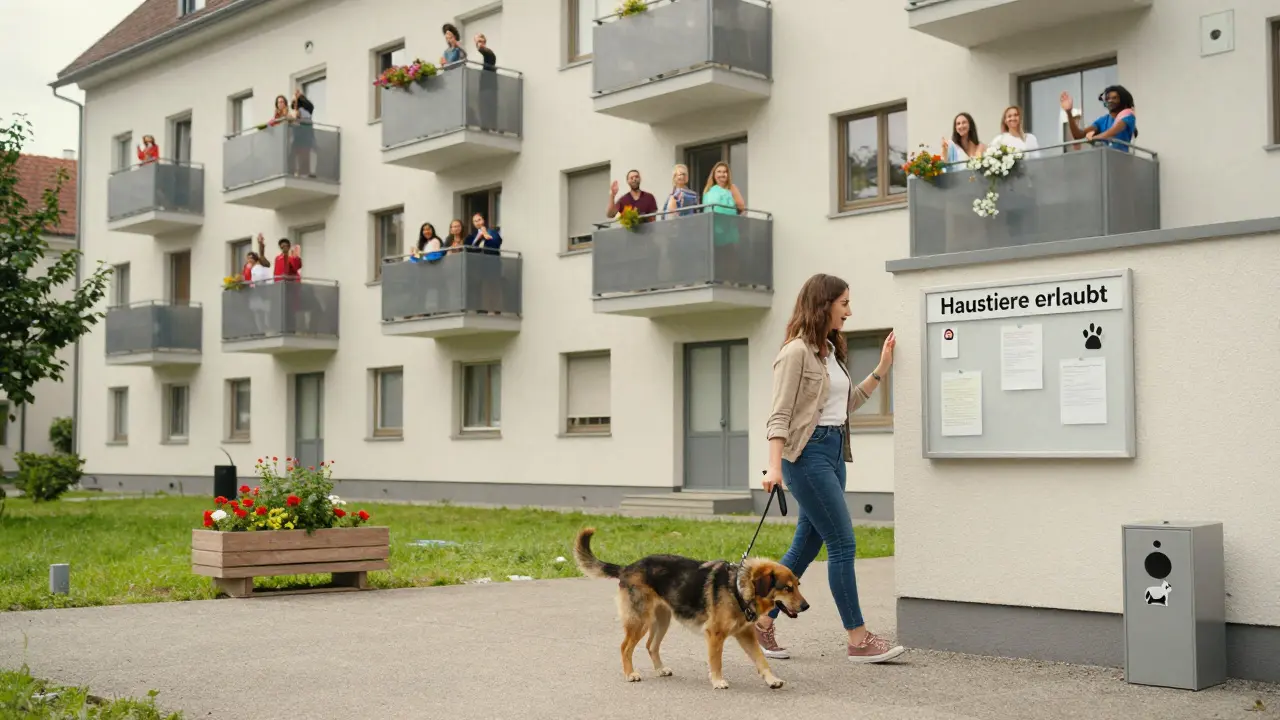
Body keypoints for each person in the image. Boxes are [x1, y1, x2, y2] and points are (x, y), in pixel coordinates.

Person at [756, 273, 903, 665]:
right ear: (824, 305)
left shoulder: (829, 351)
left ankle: (761, 622)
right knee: (843, 542)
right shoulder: (795, 353)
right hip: (807, 456)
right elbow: (780, 415)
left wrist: (880, 371)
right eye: (844, 304)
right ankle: (858, 638)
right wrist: (774, 468)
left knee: (807, 544)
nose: (849, 312)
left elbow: (844, 406)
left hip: (835, 455)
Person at [1060, 85, 1137, 152]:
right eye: (1108, 98)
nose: (1110, 100)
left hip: (1122, 161)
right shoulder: (1102, 121)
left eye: (1115, 98)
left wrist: (1093, 138)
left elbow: (1113, 131)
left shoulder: (1128, 115)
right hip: (1103, 161)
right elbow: (1078, 135)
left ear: (1122, 100)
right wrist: (1068, 112)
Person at [474, 33, 498, 131]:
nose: (478, 44)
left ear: (484, 42)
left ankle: (491, 126)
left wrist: (480, 45)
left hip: (489, 86)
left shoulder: (489, 53)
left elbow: (486, 52)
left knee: (489, 105)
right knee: (482, 105)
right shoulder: (483, 54)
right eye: (477, 42)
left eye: (480, 41)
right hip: (484, 86)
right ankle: (485, 126)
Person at [289, 88, 316, 177]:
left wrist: (297, 97)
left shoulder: (303, 111)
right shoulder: (304, 112)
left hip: (302, 136)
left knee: (302, 154)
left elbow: (298, 117)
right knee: (301, 154)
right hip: (302, 136)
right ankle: (301, 172)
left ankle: (301, 172)